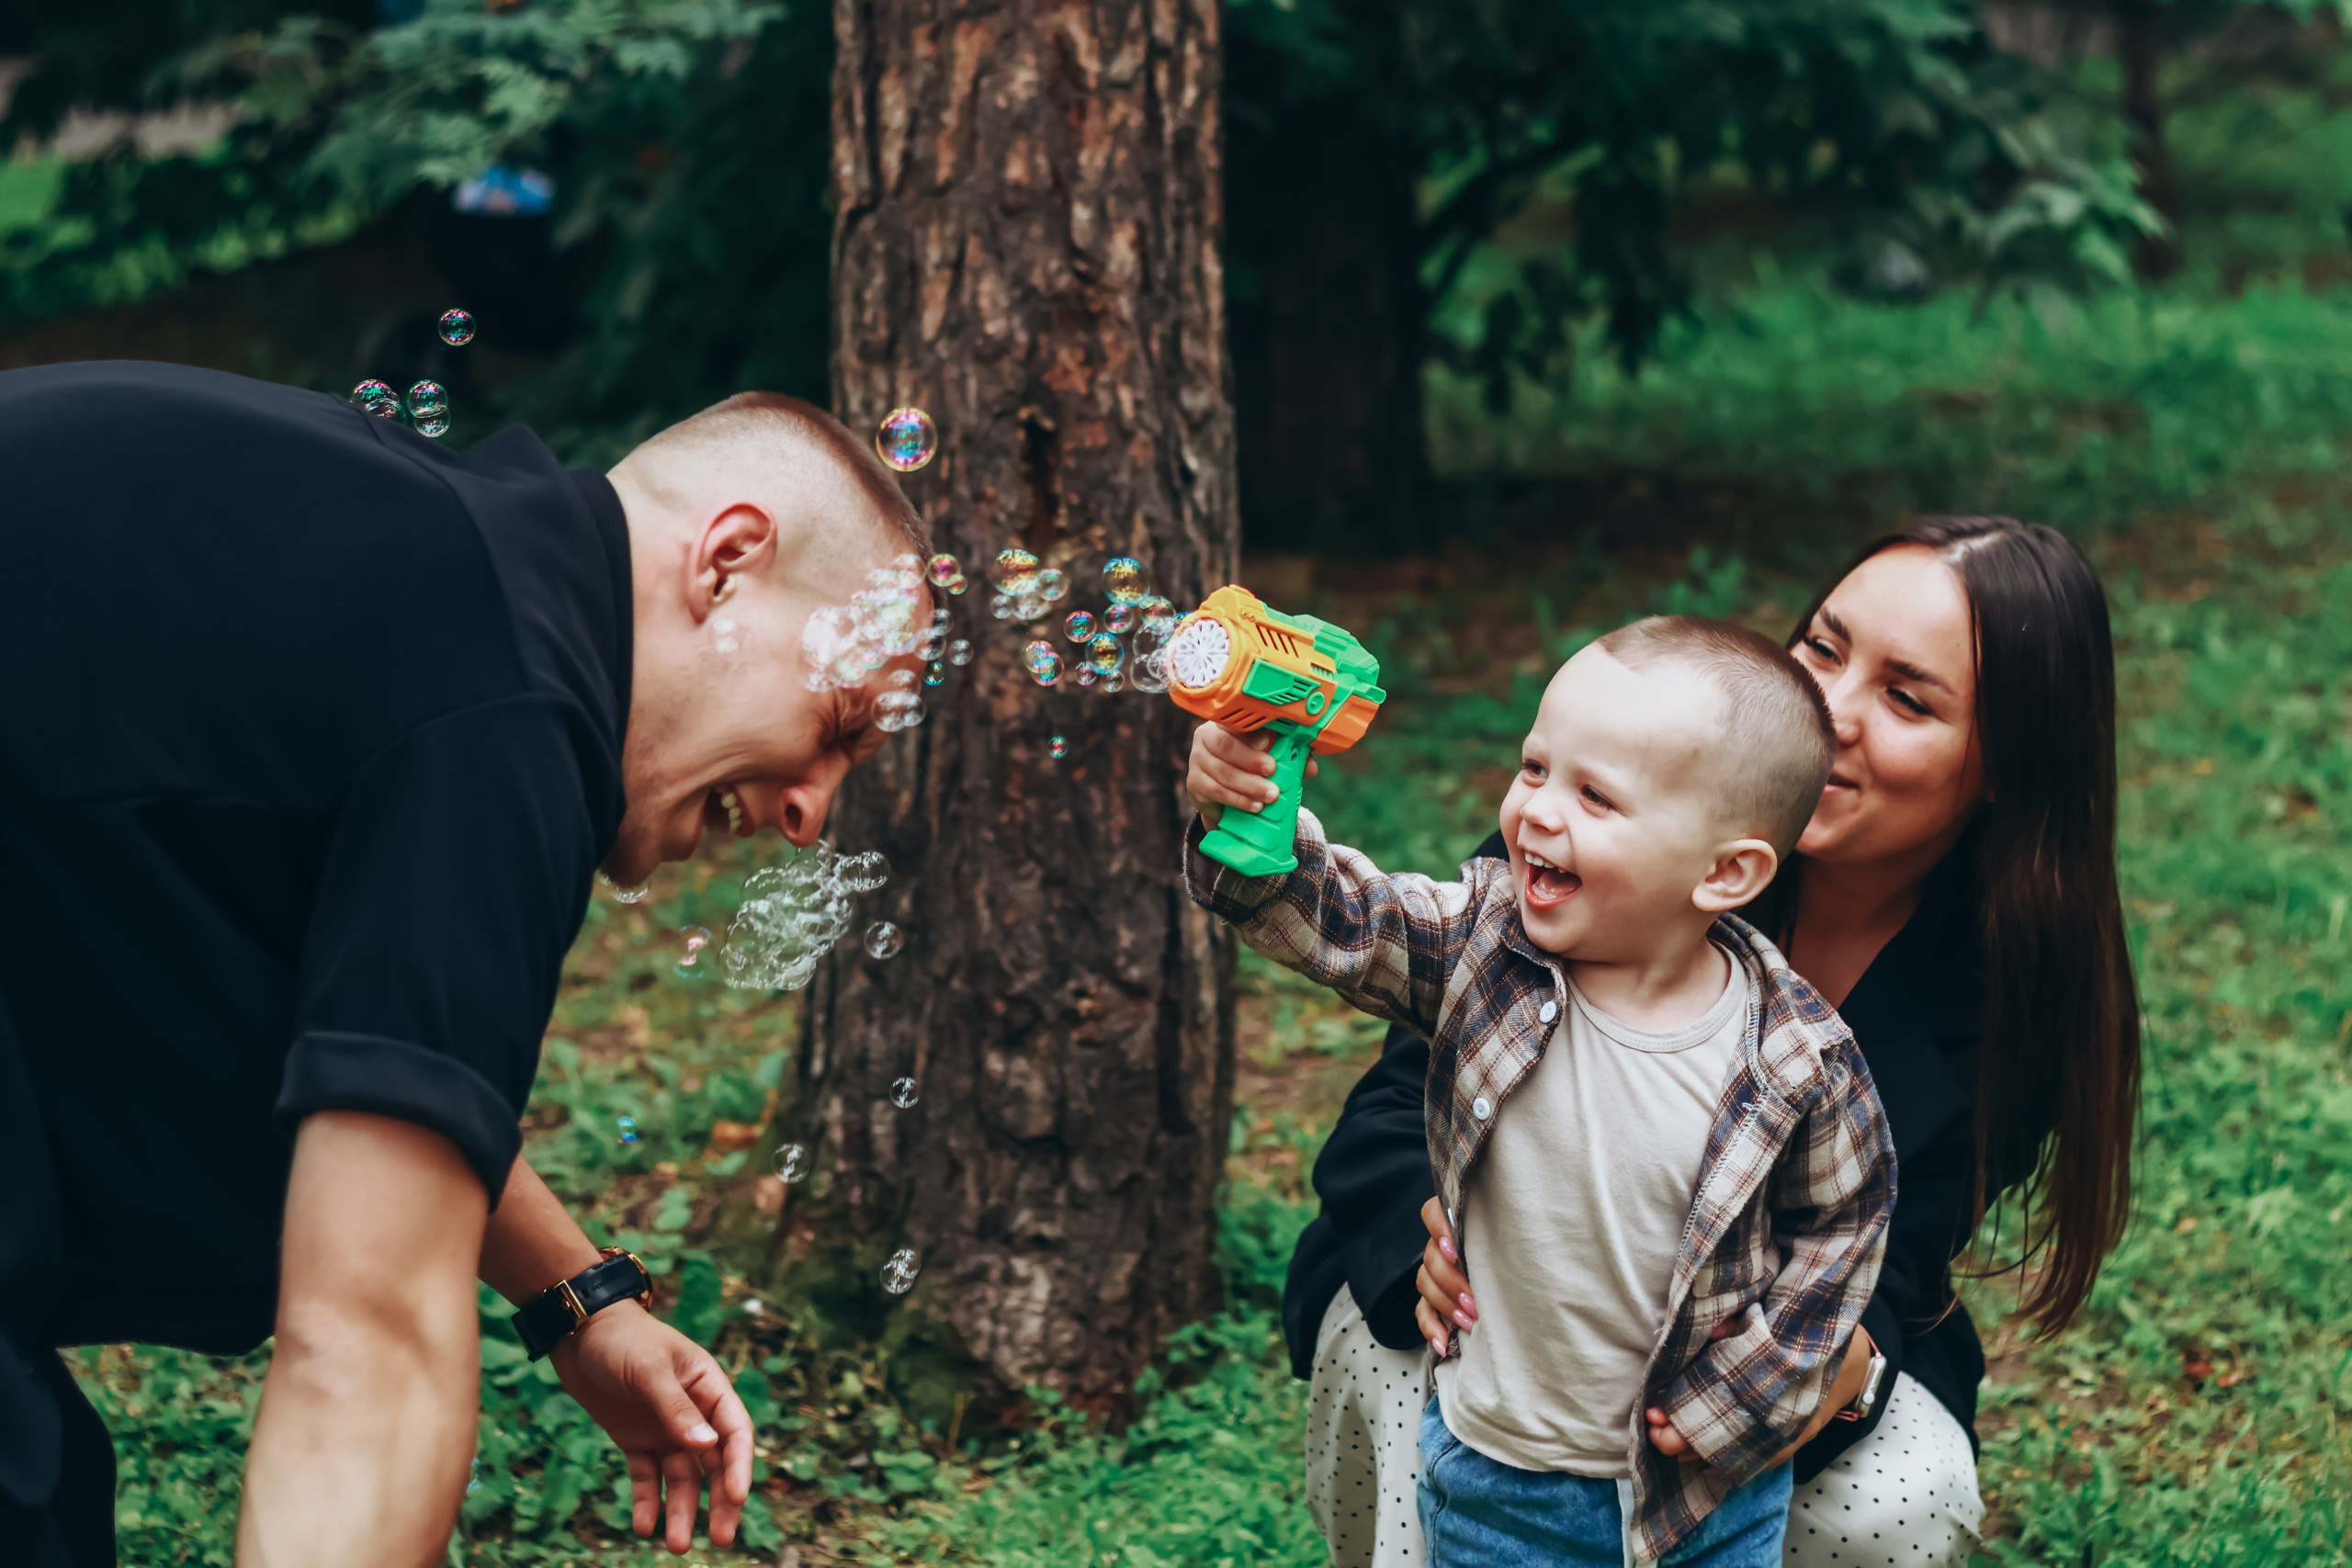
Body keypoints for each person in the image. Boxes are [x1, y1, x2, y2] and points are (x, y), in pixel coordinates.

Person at [0, 362, 931, 1567]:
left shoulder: (475, 587)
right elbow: (366, 1338)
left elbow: (372, 1057)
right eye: (841, 724)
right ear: (724, 561)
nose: (813, 811)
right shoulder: (515, 708)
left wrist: (577, 1295)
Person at [1298, 516, 2143, 1568]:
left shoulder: (2019, 985)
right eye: (1824, 649)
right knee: (1395, 1370)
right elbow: (1392, 1103)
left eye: (1906, 697)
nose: (1830, 711)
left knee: (1899, 1497)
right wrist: (1426, 1236)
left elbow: (1888, 1250)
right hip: (1501, 1305)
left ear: (2007, 766)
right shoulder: (1636, 805)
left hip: (1748, 1346)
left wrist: (1809, 1375)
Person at [1186, 615, 1898, 1567]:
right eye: (1534, 768)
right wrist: (1250, 815)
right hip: (1494, 1476)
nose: (1536, 813)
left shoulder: (1795, 1056)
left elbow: (1845, 1225)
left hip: (1705, 1501)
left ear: (1726, 871)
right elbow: (1334, 919)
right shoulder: (1483, 946)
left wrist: (1754, 1387)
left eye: (1596, 797)